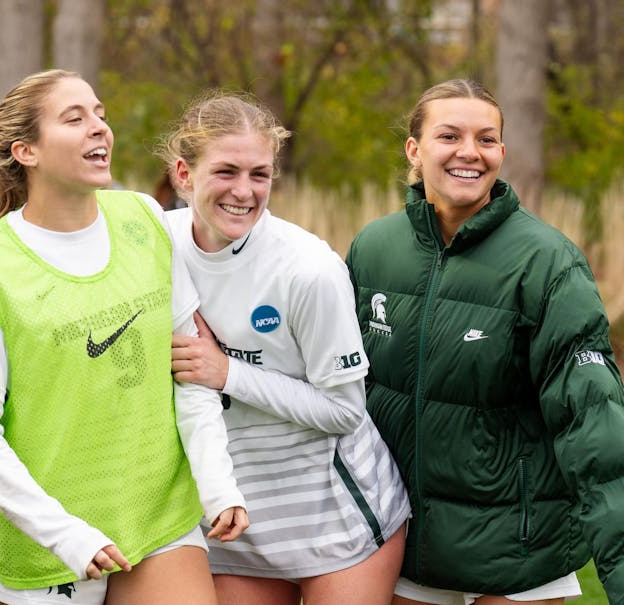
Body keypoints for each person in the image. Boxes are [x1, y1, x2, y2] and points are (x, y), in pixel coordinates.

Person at [0, 69, 248, 605]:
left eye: (100, 115)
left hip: (160, 517)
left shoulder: (144, 218)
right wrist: (66, 535)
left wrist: (217, 484)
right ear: (26, 151)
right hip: (50, 549)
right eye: (74, 118)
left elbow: (190, 370)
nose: (99, 129)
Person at [346, 78, 624, 604]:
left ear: (501, 151)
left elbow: (593, 422)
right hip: (406, 544)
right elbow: (339, 394)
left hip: (519, 546)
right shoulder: (374, 249)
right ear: (415, 148)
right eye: (449, 135)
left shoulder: (547, 261)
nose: (469, 152)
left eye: (487, 139)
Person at [160, 91, 411, 605]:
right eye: (226, 171)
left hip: (337, 517)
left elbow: (344, 410)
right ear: (183, 174)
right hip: (234, 522)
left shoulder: (308, 269)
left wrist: (226, 371)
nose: (245, 191)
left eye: (260, 174)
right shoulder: (151, 246)